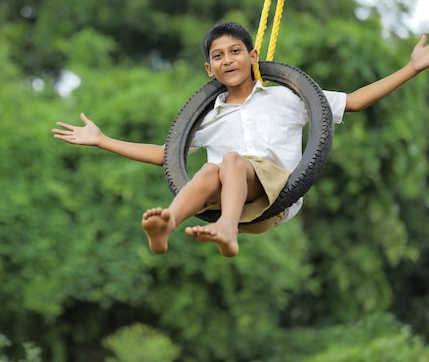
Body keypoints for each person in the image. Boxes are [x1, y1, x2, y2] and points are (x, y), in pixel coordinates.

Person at [52, 21, 429, 257]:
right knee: (207, 172)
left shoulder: (288, 97)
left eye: (235, 52)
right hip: (227, 200)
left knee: (228, 161)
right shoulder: (211, 115)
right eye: (218, 56)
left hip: (276, 196)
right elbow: (167, 156)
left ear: (253, 56)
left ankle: (226, 230)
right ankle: (168, 223)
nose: (228, 60)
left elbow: (357, 101)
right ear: (208, 68)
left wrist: (411, 68)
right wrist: (103, 140)